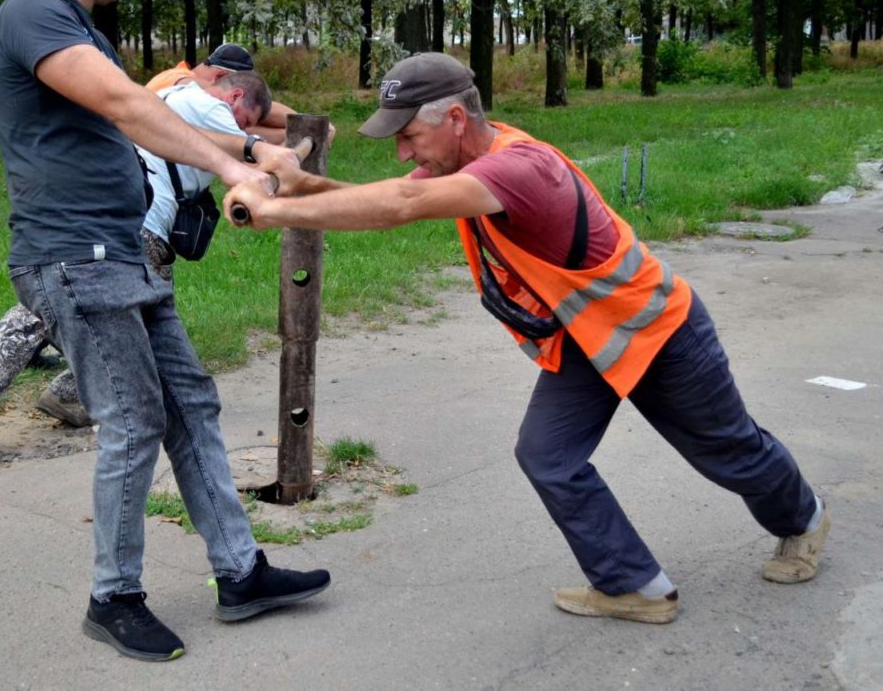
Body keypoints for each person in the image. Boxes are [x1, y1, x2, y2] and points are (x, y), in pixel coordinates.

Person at [225, 52, 830, 625]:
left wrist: (272, 210)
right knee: (548, 456)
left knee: (726, 450)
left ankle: (803, 519)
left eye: (409, 136)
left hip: (656, 328)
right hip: (584, 338)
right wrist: (297, 184)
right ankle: (633, 587)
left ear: (456, 120)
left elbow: (405, 202)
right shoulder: (468, 167)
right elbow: (395, 196)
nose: (405, 152)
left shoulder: (518, 169)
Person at [0, 0, 329, 662]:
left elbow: (157, 108)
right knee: (134, 420)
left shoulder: (79, 29)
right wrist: (238, 161)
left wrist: (259, 141)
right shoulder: (31, 16)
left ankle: (239, 574)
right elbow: (128, 108)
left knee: (190, 406)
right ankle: (114, 597)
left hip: (121, 255)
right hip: (73, 258)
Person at [0, 70, 275, 448]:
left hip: (105, 212)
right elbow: (251, 161)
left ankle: (34, 402)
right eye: (247, 118)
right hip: (139, 227)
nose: (242, 126)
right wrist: (281, 161)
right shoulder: (212, 108)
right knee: (92, 319)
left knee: (69, 316)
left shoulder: (171, 95)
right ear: (234, 98)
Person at [146, 43, 336, 146]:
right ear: (222, 77)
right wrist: (310, 125)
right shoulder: (176, 80)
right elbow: (243, 132)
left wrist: (305, 130)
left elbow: (242, 129)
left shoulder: (208, 108)